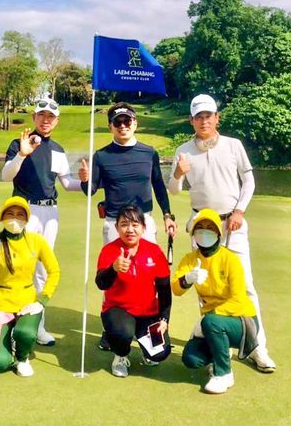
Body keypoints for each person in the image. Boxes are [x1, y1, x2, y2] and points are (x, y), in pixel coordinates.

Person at [168, 93, 275, 373]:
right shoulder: (184, 150)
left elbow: (248, 180)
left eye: (208, 116)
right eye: (198, 117)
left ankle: (257, 346)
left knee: (246, 287)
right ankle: (215, 344)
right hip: (202, 227)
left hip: (232, 223)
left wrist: (240, 210)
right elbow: (174, 189)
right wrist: (178, 173)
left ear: (217, 118)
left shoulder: (233, 145)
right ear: (191, 120)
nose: (204, 121)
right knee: (205, 287)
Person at [78, 101, 176, 350]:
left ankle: (154, 323)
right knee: (112, 274)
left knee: (150, 274)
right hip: (115, 224)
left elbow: (158, 186)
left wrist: (167, 214)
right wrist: (84, 181)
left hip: (145, 222)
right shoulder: (101, 156)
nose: (123, 126)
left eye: (127, 121)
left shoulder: (149, 152)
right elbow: (90, 191)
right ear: (111, 126)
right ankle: (110, 329)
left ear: (135, 123)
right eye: (117, 122)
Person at [1, 97, 81, 346]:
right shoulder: (19, 143)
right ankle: (15, 324)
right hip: (25, 211)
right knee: (21, 267)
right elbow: (6, 176)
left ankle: (37, 325)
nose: (46, 120)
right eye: (42, 116)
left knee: (43, 270)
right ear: (34, 118)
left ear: (56, 121)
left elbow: (66, 183)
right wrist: (22, 155)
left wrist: (88, 182)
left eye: (51, 117)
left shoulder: (57, 149)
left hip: (50, 212)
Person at [172, 209, 260, 394]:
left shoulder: (230, 259)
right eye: (200, 228)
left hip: (243, 321)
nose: (205, 231)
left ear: (219, 233)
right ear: (193, 233)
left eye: (210, 227)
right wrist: (187, 279)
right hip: (214, 324)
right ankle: (220, 353)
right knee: (191, 358)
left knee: (211, 322)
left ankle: (224, 374)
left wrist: (205, 321)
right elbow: (176, 289)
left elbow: (237, 299)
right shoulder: (190, 259)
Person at [0, 196, 60, 377]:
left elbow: (54, 271)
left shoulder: (36, 240)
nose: (15, 219)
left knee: (25, 332)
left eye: (20, 215)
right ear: (2, 216)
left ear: (26, 218)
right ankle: (8, 341)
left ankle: (22, 357)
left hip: (28, 304)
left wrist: (43, 299)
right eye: (10, 214)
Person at [95, 204, 172, 378]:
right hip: (118, 310)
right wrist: (113, 268)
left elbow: (165, 290)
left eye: (135, 224)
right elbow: (101, 283)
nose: (130, 229)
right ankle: (120, 356)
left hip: (148, 312)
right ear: (117, 228)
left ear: (143, 228)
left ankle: (147, 349)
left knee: (160, 352)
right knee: (122, 334)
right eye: (124, 224)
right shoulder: (109, 251)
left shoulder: (154, 251)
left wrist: (164, 318)